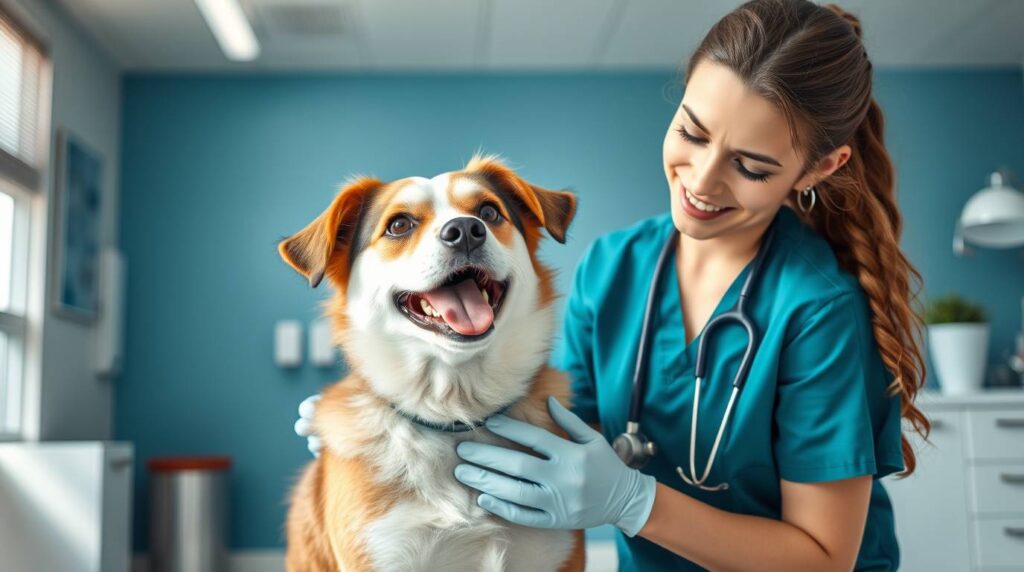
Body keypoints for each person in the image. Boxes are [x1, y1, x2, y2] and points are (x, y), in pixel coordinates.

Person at [296, 1, 931, 569]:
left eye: (750, 166)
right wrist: (384, 419)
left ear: (819, 166)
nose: (702, 182)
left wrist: (635, 501)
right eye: (692, 132)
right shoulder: (615, 267)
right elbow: (567, 434)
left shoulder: (819, 309)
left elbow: (824, 559)